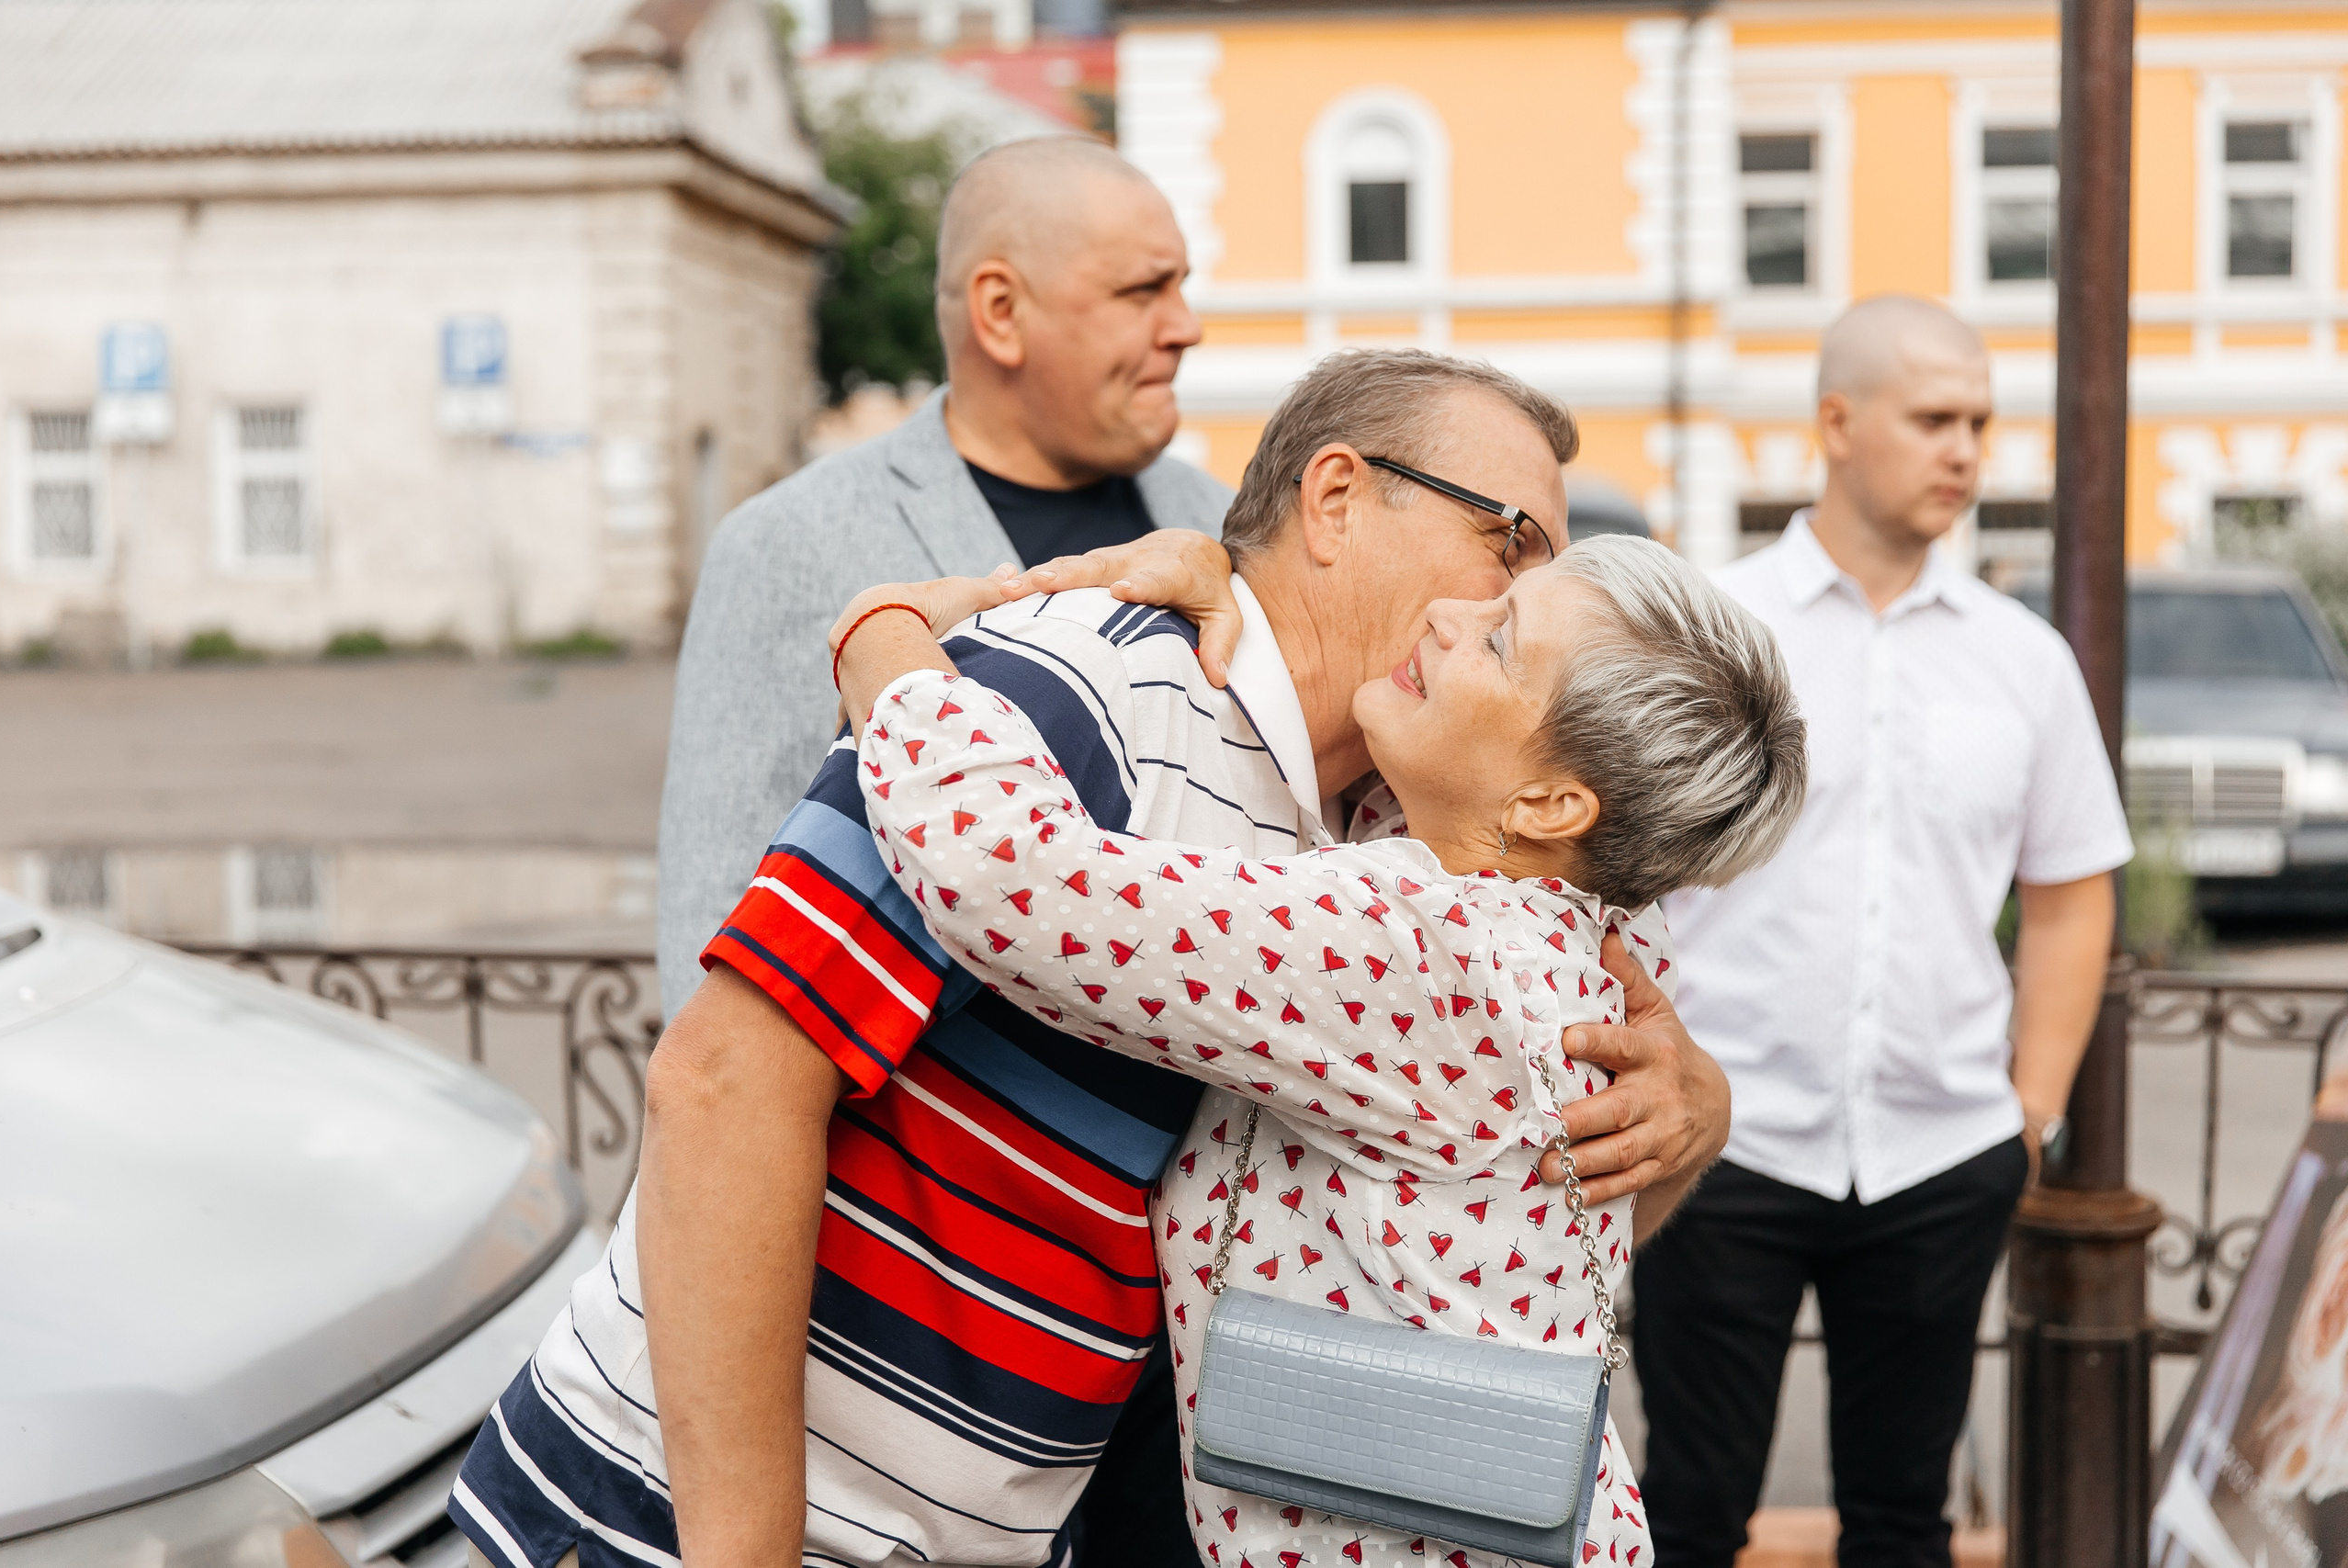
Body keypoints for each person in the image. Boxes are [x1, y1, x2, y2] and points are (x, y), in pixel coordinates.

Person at [451, 348, 1734, 1568]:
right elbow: (725, 1082)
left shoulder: (1393, 839)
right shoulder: (1076, 691)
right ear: (1334, 498)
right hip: (694, 1519)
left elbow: (1530, 1187)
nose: (1491, 610)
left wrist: (1684, 1102)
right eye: (1508, 546)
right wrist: (890, 634)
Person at [828, 532, 1808, 1568]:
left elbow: (1014, 879)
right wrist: (1233, 576)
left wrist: (880, 637)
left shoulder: (1421, 954)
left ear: (1552, 805)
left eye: (1501, 639)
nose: (1448, 612)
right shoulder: (1596, 929)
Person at [1634, 295, 2136, 1568]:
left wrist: (2029, 1113)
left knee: (1904, 1521)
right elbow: (1619, 869)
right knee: (1686, 1510)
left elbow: (2073, 888)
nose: (1966, 448)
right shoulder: (1713, 625)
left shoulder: (2023, 659)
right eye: (1934, 418)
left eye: (1978, 420)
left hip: (1939, 1148)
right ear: (1838, 423)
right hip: (1721, 1140)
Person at [656, 134, 1232, 1021]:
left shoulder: (1226, 526)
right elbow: (713, 940)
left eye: (1182, 286)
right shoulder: (785, 544)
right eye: (1142, 290)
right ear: (1000, 311)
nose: (1184, 325)